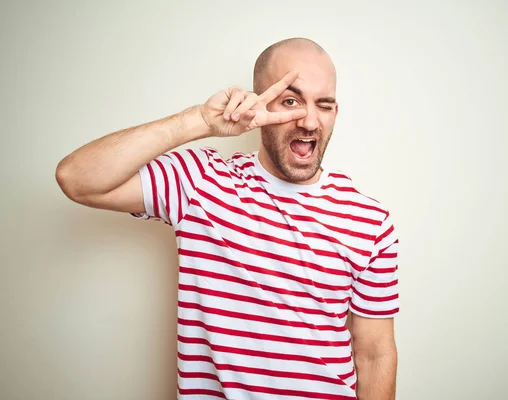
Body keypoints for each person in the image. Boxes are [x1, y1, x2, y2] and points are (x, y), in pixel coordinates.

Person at [56, 37, 400, 400]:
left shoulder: (369, 220)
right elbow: (77, 179)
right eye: (290, 101)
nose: (310, 121)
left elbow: (375, 354)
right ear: (257, 102)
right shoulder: (201, 182)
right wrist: (199, 120)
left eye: (324, 105)